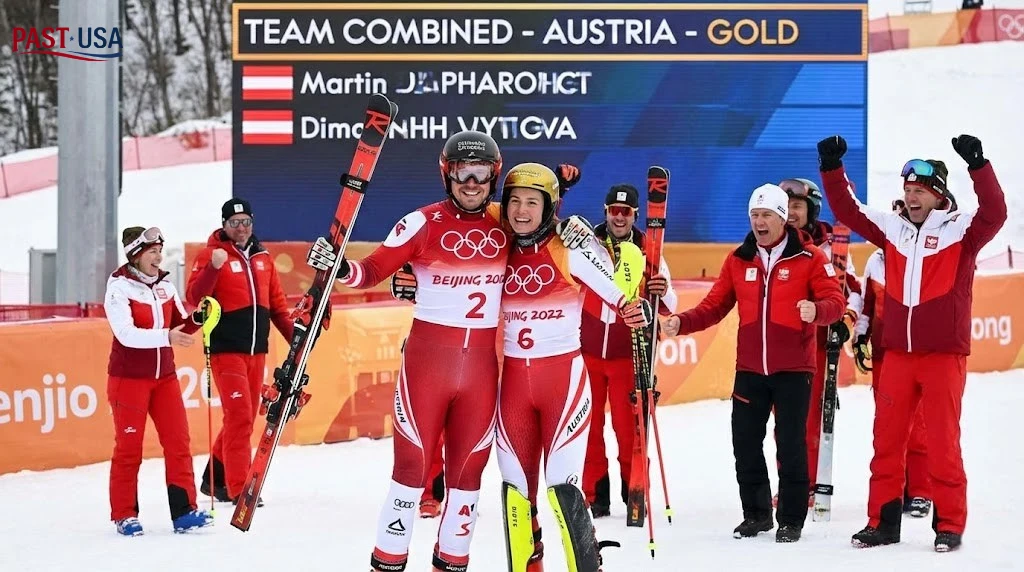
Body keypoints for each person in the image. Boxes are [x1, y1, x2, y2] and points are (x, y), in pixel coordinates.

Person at [305, 131, 593, 572]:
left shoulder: (504, 220)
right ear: (447, 174)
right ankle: (388, 560)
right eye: (462, 172)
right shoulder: (422, 223)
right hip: (427, 367)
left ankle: (451, 562)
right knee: (410, 471)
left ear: (494, 177)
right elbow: (373, 269)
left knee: (467, 481)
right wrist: (340, 264)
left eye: (481, 174)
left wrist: (569, 215)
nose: (472, 183)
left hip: (480, 373)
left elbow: (540, 219)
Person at [816, 134, 1006, 552]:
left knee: (941, 442)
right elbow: (849, 209)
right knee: (886, 442)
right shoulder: (893, 229)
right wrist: (832, 169)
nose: (911, 197)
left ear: (938, 196)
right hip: (898, 355)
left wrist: (979, 166)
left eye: (919, 191)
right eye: (907, 190)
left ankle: (949, 525)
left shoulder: (962, 230)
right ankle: (882, 522)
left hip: (943, 355)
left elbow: (996, 212)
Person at [660, 184, 847, 542]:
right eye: (755, 215)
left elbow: (835, 302)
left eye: (767, 216)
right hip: (749, 370)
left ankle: (791, 519)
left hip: (794, 369)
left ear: (781, 219)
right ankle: (757, 514)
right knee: (745, 443)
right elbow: (714, 306)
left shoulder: (810, 258)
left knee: (791, 444)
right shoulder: (738, 259)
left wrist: (817, 310)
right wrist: (681, 322)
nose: (760, 222)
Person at [494, 163, 650, 571]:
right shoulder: (495, 244)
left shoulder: (570, 246)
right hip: (510, 387)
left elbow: (616, 291)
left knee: (562, 490)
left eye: (533, 202)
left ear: (549, 207)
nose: (522, 211)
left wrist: (633, 308)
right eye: (514, 201)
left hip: (561, 381)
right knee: (515, 495)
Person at [104, 226, 214, 536]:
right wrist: (167, 335)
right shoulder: (119, 287)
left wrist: (197, 318)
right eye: (152, 251)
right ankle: (124, 514)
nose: (158, 257)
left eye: (159, 251)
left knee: (178, 442)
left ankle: (184, 511)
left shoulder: (165, 285)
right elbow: (125, 335)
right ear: (136, 255)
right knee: (129, 448)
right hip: (129, 380)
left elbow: (181, 324)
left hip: (164, 378)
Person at [185, 198, 294, 506]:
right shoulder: (210, 255)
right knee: (240, 417)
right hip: (226, 350)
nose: (241, 228)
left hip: (256, 352)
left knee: (239, 420)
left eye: (246, 222)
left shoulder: (263, 258)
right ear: (224, 225)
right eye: (234, 223)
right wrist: (214, 267)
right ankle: (238, 487)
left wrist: (296, 342)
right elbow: (195, 295)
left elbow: (278, 306)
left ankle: (213, 481)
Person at [579, 183, 678, 518]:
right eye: (613, 211)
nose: (619, 218)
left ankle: (633, 489)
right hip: (588, 351)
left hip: (628, 354)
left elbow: (671, 304)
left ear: (635, 215)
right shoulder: (588, 245)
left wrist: (661, 290)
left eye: (626, 212)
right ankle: (595, 495)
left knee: (629, 429)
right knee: (587, 428)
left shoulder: (650, 249)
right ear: (605, 211)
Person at [778, 177, 862, 506]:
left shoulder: (830, 249)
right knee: (783, 424)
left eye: (797, 207)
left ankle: (809, 486)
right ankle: (789, 484)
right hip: (782, 344)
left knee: (809, 422)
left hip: (815, 346)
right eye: (785, 208)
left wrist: (846, 322)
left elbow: (854, 291)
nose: (790, 214)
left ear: (811, 211)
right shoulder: (773, 244)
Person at [854, 247, 933, 518]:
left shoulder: (927, 254)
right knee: (890, 426)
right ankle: (894, 491)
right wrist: (860, 336)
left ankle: (921, 490)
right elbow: (866, 304)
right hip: (884, 353)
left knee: (919, 424)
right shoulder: (877, 259)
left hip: (916, 352)